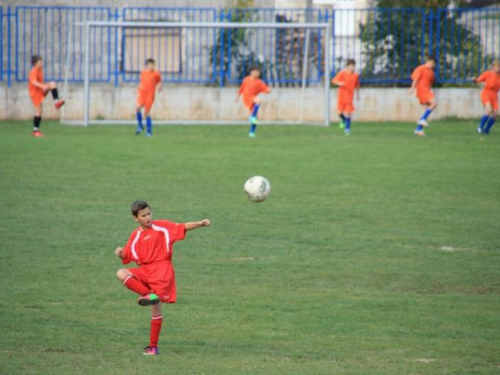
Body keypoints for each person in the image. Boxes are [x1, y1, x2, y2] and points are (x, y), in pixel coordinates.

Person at [115, 200, 210, 355]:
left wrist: (200, 223)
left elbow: (182, 227)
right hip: (145, 270)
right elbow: (128, 254)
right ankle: (148, 295)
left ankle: (153, 346)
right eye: (143, 215)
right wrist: (120, 253)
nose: (147, 217)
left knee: (155, 308)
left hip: (162, 270)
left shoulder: (162, 227)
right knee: (121, 272)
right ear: (135, 218)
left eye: (149, 213)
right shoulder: (136, 235)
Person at [28, 55, 65, 137]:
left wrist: (44, 87)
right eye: (40, 62)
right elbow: (33, 82)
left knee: (52, 84)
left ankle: (57, 103)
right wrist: (43, 86)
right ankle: (35, 131)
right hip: (35, 93)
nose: (42, 64)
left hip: (40, 90)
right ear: (35, 63)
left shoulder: (40, 70)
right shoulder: (33, 71)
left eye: (41, 62)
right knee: (39, 111)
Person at [236, 66, 271, 138]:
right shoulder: (246, 80)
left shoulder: (259, 82)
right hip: (247, 97)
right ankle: (252, 117)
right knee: (258, 100)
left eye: (258, 72)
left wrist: (268, 90)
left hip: (253, 98)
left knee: (255, 118)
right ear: (251, 72)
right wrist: (237, 97)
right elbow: (241, 88)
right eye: (256, 72)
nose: (257, 73)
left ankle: (251, 132)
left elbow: (265, 88)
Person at [331, 59, 360, 136]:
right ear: (347, 66)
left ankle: (347, 129)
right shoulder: (342, 74)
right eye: (351, 66)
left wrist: (358, 95)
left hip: (349, 97)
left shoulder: (355, 75)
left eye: (353, 66)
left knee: (348, 113)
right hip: (341, 96)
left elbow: (357, 86)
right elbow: (333, 81)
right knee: (339, 113)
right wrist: (339, 83)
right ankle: (343, 120)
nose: (352, 67)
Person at [409, 56, 436, 137]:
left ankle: (418, 129)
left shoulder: (431, 72)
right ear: (428, 61)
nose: (433, 65)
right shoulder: (420, 68)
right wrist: (412, 88)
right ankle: (421, 120)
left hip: (427, 91)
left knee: (428, 107)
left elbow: (431, 82)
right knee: (434, 104)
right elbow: (415, 79)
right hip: (422, 91)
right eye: (432, 63)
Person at [135, 59, 162, 137]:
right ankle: (140, 126)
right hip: (142, 94)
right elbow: (142, 82)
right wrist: (137, 88)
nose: (152, 66)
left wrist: (160, 86)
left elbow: (159, 81)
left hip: (150, 95)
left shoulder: (156, 74)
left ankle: (149, 131)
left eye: (153, 65)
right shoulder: (143, 73)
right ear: (147, 65)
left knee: (147, 112)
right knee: (137, 108)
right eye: (150, 65)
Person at [474, 61, 500, 134]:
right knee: (488, 110)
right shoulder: (488, 73)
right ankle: (480, 126)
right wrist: (475, 80)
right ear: (493, 67)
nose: (498, 69)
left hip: (494, 95)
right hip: (486, 92)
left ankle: (486, 130)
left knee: (495, 114)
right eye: (497, 67)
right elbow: (479, 79)